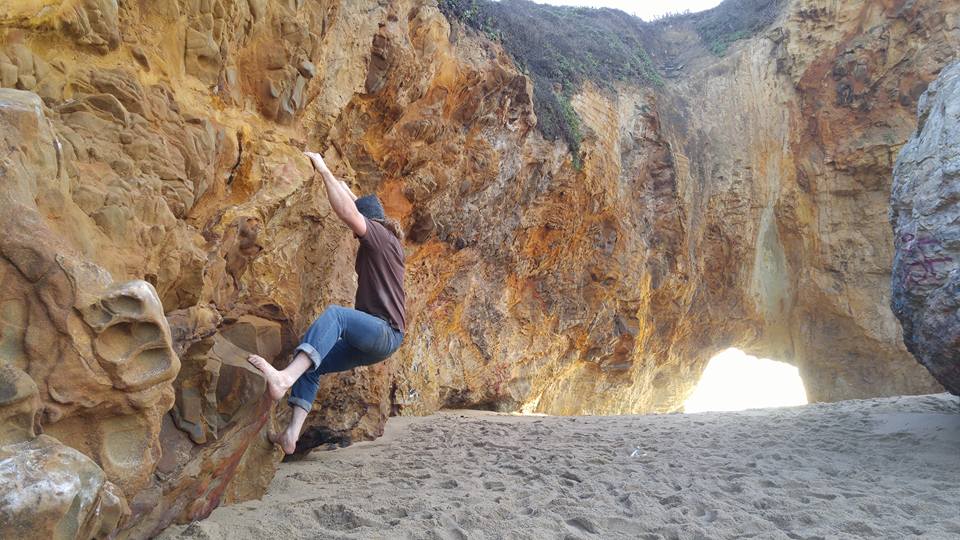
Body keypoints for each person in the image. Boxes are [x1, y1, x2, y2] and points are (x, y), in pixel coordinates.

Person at [248, 151, 406, 455]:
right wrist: (342, 185)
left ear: (371, 223)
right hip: (382, 341)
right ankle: (291, 435)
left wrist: (322, 170)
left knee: (337, 316)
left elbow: (350, 213)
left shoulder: (379, 236)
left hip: (383, 332)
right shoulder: (390, 243)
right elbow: (357, 204)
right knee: (313, 360)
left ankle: (284, 379)